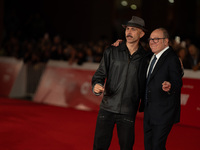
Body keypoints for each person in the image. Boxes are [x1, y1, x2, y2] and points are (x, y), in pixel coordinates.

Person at [91, 16, 147, 150]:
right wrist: (96, 85)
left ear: (142, 34)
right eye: (128, 28)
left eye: (133, 29)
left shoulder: (145, 58)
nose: (129, 32)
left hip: (128, 110)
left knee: (127, 147)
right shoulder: (111, 51)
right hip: (107, 107)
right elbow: (99, 75)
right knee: (99, 147)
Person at [139, 28, 183, 150]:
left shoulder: (172, 58)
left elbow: (177, 81)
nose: (152, 42)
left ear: (166, 41)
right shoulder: (151, 56)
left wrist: (170, 85)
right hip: (149, 110)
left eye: (156, 39)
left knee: (157, 146)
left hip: (163, 112)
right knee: (149, 146)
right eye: (150, 39)